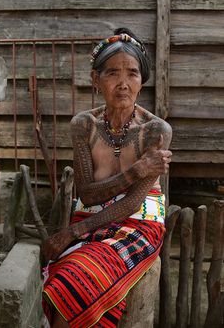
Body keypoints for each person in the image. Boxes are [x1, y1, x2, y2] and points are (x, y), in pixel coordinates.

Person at [42, 27, 172, 328]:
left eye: (132, 74)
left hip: (138, 223)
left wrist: (70, 234)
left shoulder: (156, 130)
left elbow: (132, 202)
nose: (123, 84)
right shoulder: (83, 125)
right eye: (112, 73)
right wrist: (139, 169)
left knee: (78, 280)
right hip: (89, 215)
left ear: (142, 81)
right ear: (95, 80)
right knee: (60, 280)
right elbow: (87, 194)